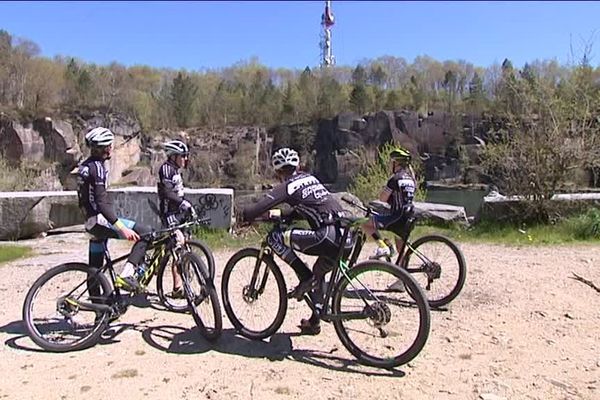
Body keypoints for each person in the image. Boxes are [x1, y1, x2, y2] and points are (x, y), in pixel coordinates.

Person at [240, 147, 352, 335]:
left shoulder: (288, 186)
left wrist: (245, 216)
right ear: (298, 166)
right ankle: (314, 321)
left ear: (278, 172)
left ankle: (304, 277)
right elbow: (302, 210)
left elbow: (256, 208)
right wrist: (277, 216)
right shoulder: (311, 179)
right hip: (344, 236)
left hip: (325, 236)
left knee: (275, 237)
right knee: (319, 271)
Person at [77, 127, 152, 293]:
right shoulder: (98, 168)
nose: (111, 148)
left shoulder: (86, 166)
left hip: (90, 221)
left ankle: (99, 311)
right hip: (98, 220)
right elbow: (102, 203)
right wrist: (121, 227)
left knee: (95, 270)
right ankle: (126, 275)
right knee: (146, 233)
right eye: (109, 145)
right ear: (104, 148)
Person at [361, 146, 416, 259]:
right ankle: (403, 273)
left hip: (397, 217)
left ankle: (383, 247)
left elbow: (382, 198)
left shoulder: (395, 179)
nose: (390, 165)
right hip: (408, 216)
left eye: (392, 162)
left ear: (396, 163)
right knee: (402, 254)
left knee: (365, 224)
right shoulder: (411, 179)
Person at [157, 139, 194, 299]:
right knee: (178, 248)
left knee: (183, 247)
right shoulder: (166, 169)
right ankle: (177, 287)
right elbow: (167, 193)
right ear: (173, 156)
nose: (185, 159)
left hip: (179, 213)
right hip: (170, 214)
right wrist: (182, 202)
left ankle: (181, 285)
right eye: (182, 156)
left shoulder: (175, 170)